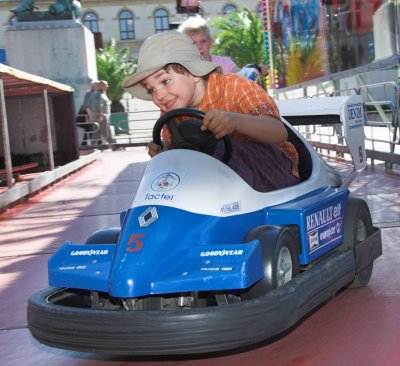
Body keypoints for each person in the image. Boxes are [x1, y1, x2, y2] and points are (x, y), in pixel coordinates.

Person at [122, 31, 299, 192]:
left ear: (195, 73)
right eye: (151, 89)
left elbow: (279, 132)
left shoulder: (236, 86)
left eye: (165, 81)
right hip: (219, 182)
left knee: (214, 148)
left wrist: (234, 121)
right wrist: (165, 152)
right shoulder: (171, 114)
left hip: (275, 171)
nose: (158, 95)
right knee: (172, 165)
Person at [90, 80, 113, 146]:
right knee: (106, 133)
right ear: (100, 86)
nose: (107, 86)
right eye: (105, 85)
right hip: (102, 118)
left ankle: (91, 147)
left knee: (97, 133)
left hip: (103, 117)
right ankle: (114, 146)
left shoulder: (103, 94)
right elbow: (99, 106)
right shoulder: (98, 95)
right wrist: (100, 116)